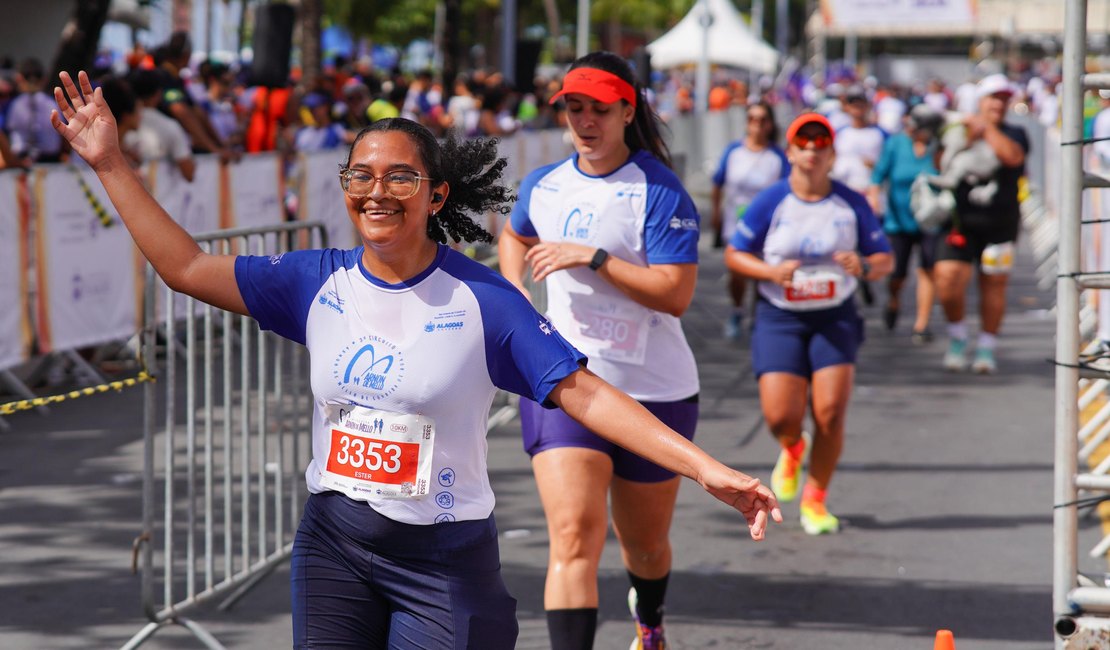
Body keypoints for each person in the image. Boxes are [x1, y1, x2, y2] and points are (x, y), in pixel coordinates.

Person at [51, 69, 780, 650]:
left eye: (400, 177)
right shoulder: (314, 280)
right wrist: (110, 161)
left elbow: (585, 395)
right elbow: (183, 266)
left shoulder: (482, 300)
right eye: (361, 176)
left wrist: (704, 466)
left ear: (436, 196)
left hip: (442, 563)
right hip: (334, 546)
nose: (378, 191)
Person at [498, 51, 714, 650]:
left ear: (627, 111)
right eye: (574, 108)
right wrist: (517, 293)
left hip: (653, 390)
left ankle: (649, 621)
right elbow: (514, 235)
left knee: (644, 546)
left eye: (599, 109)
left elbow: (675, 295)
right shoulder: (545, 183)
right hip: (564, 384)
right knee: (572, 536)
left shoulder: (658, 189)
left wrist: (592, 257)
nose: (585, 121)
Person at [725, 113, 893, 536]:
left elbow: (884, 258)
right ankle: (793, 446)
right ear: (791, 153)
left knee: (830, 414)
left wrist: (866, 265)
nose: (813, 152)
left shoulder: (852, 202)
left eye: (822, 145)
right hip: (780, 316)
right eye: (804, 144)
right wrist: (769, 273)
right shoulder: (772, 200)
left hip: (834, 316)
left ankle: (815, 500)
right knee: (781, 415)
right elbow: (735, 253)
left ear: (833, 154)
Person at [934, 73, 1029, 374]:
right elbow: (940, 163)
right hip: (959, 222)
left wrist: (986, 128)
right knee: (948, 279)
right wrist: (963, 137)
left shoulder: (1016, 134)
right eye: (993, 98)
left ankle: (987, 346)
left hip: (1000, 224)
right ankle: (958, 337)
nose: (999, 104)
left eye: (1004, 98)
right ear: (980, 101)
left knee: (993, 284)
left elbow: (1012, 157)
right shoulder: (960, 130)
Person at [710, 100, 790, 340]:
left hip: (768, 226)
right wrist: (716, 212)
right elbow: (718, 183)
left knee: (762, 272)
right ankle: (737, 310)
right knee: (737, 272)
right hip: (736, 222)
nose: (756, 125)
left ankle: (759, 315)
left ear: (770, 124)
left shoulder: (777, 156)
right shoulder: (734, 151)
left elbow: (788, 189)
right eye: (752, 119)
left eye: (762, 119)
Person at [867, 103, 944, 341]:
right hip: (898, 221)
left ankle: (922, 323)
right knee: (897, 273)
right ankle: (893, 301)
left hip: (930, 219)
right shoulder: (895, 145)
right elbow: (877, 177)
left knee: (928, 269)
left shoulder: (937, 148)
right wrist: (874, 202)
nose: (910, 128)